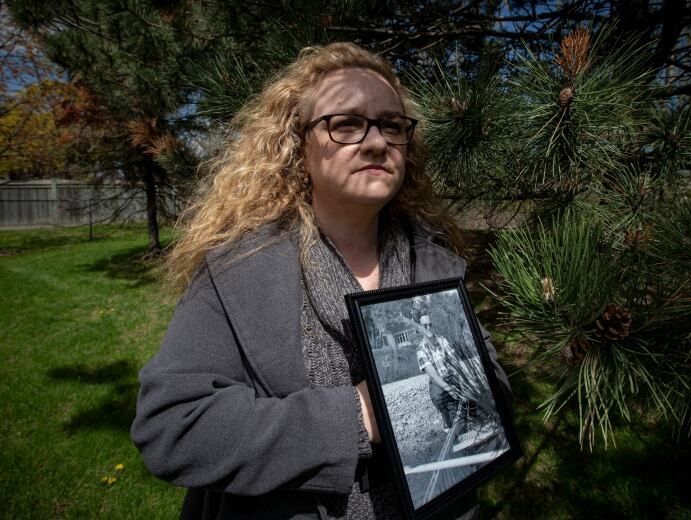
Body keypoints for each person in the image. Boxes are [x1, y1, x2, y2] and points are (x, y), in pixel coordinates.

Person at [131, 42, 512, 520]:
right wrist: (360, 415)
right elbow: (173, 426)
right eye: (346, 124)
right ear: (298, 147)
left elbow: (494, 389)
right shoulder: (237, 270)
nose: (376, 142)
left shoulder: (435, 264)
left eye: (392, 125)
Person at [416, 314, 459, 432]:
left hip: (451, 375)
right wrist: (448, 388)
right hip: (436, 380)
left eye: (430, 324)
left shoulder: (443, 340)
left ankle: (461, 410)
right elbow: (432, 374)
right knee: (436, 397)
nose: (428, 327)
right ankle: (446, 416)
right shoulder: (420, 350)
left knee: (462, 388)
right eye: (425, 325)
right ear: (420, 328)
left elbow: (455, 361)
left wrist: (461, 376)